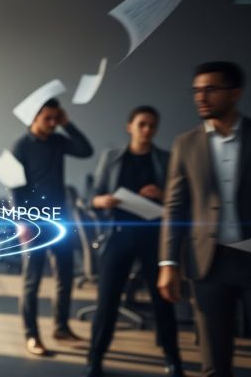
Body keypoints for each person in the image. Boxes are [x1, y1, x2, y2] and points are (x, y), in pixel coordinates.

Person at [158, 61, 251, 377]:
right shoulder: (185, 144)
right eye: (197, 91)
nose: (201, 97)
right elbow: (174, 208)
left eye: (210, 89)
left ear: (235, 93)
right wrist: (168, 264)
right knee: (214, 361)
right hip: (207, 262)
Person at [83, 106, 183, 377]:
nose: (147, 130)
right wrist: (102, 201)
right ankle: (95, 359)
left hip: (154, 238)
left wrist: (162, 194)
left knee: (163, 300)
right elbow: (91, 197)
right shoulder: (111, 158)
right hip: (118, 235)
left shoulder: (165, 158)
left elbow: (178, 199)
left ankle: (173, 359)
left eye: (152, 125)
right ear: (130, 126)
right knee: (107, 302)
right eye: (142, 124)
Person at [11, 98, 93, 356]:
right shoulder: (21, 146)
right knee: (32, 279)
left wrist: (68, 124)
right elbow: (15, 187)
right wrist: (20, 222)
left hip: (60, 217)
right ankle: (31, 335)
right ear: (34, 117)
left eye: (56, 119)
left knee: (65, 275)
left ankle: (60, 327)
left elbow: (85, 150)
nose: (52, 123)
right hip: (33, 221)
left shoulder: (58, 140)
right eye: (47, 118)